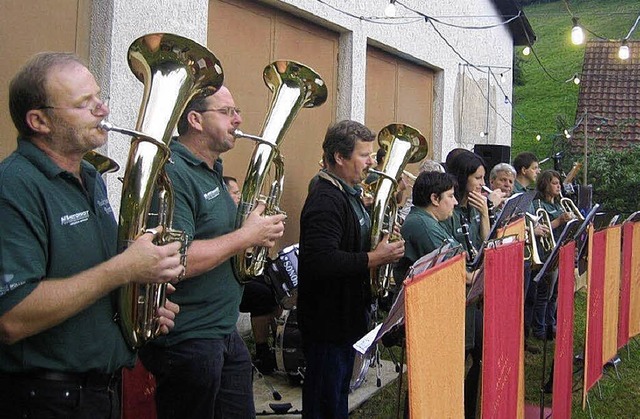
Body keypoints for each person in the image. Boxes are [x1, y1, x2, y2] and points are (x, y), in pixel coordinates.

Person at [0, 52, 184, 419]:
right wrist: (125, 270)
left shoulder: (90, 178)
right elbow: (12, 317)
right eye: (85, 104)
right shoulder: (15, 185)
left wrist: (143, 305)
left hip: (101, 390)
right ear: (39, 121)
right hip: (46, 398)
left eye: (100, 98)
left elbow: (91, 279)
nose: (102, 110)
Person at [138, 87, 286, 418]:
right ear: (195, 120)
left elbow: (227, 243)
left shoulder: (213, 171)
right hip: (188, 339)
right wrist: (245, 235)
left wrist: (257, 236)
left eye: (237, 110)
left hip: (221, 332)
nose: (239, 119)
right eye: (227, 111)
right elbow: (173, 259)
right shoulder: (175, 172)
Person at [298, 120, 405, 418]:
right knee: (325, 404)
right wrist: (375, 257)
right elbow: (321, 261)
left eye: (371, 154)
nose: (371, 162)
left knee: (336, 400)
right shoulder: (325, 199)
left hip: (345, 318)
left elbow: (353, 243)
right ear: (339, 157)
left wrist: (382, 236)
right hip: (327, 322)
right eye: (363, 155)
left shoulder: (348, 194)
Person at [224, 175, 280, 374]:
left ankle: (280, 344)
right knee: (261, 295)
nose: (239, 197)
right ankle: (262, 350)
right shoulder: (226, 218)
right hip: (230, 278)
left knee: (275, 286)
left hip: (243, 272)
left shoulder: (242, 216)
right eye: (235, 193)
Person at [530, 170, 573, 341]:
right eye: (554, 183)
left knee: (555, 293)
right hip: (546, 252)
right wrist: (560, 220)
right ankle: (539, 329)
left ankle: (550, 323)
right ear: (544, 184)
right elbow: (543, 229)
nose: (558, 186)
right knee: (544, 294)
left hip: (561, 251)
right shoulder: (539, 205)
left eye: (559, 183)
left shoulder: (559, 204)